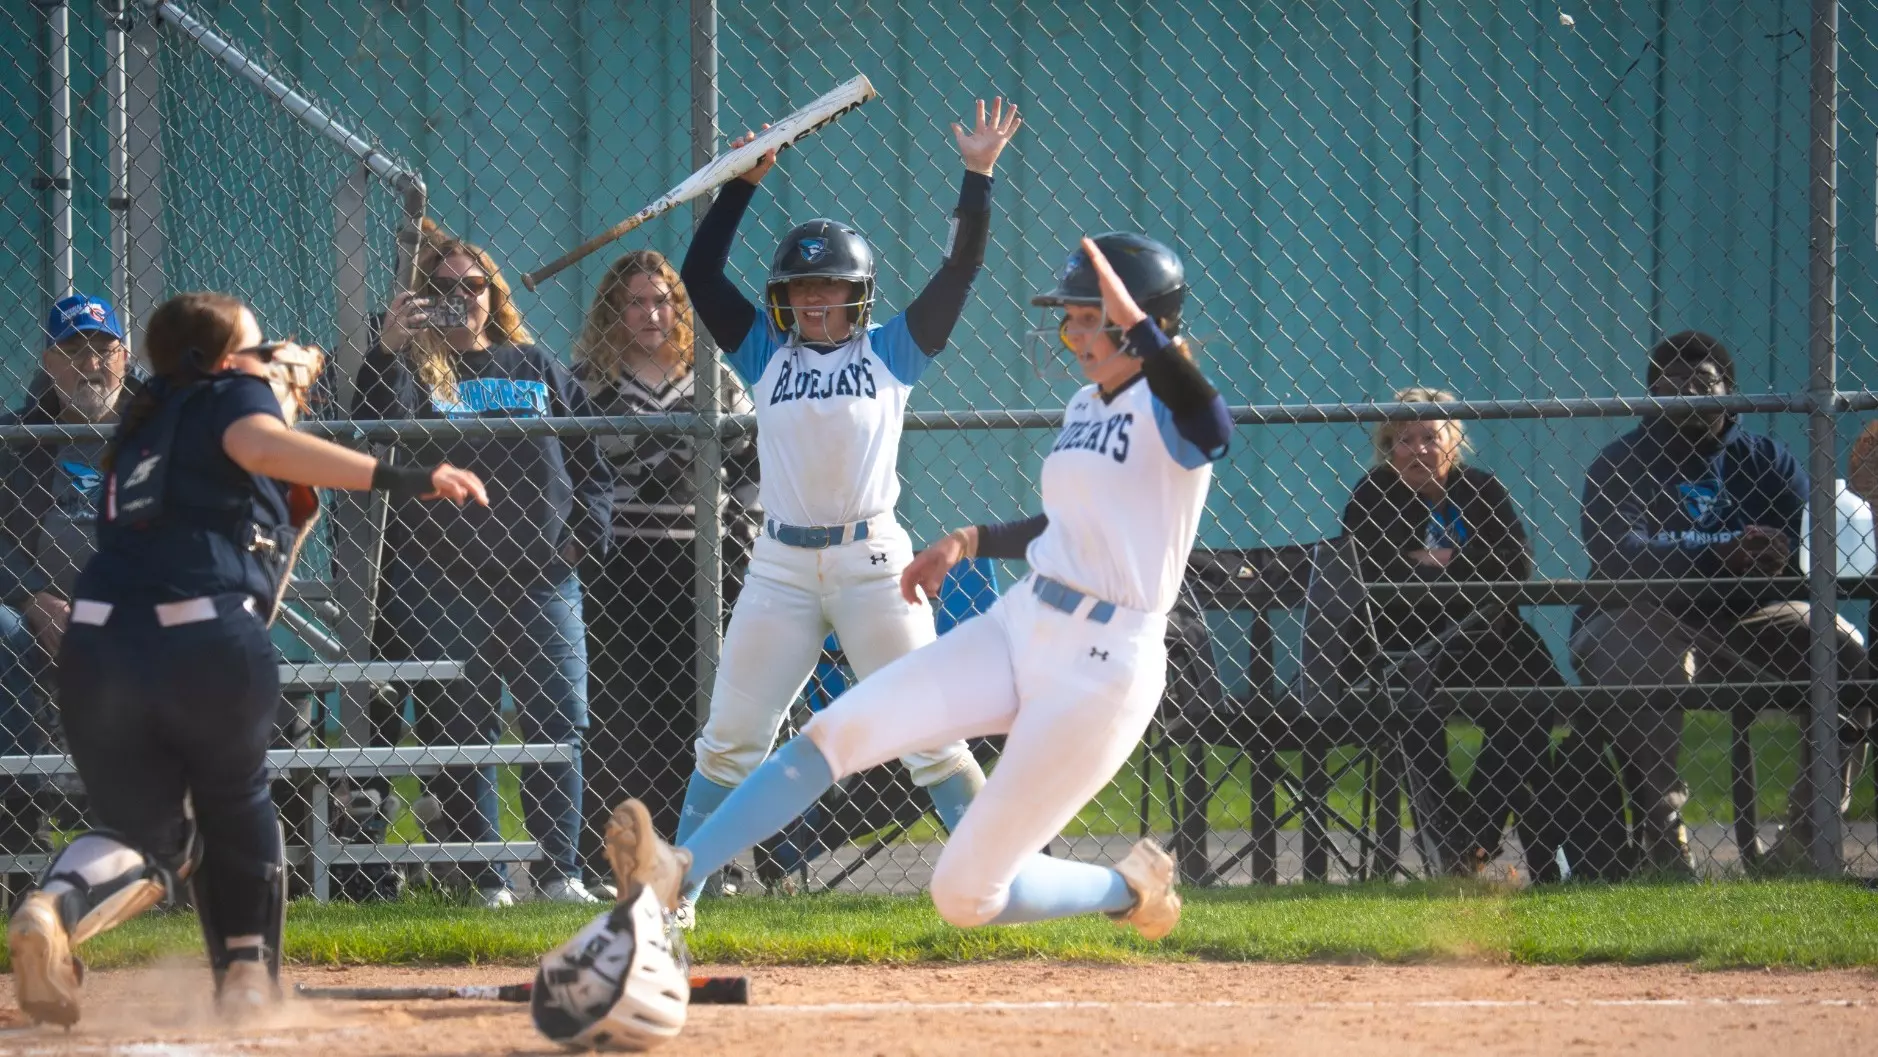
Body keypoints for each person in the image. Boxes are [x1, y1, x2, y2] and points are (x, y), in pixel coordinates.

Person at [605, 232, 1232, 947]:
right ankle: (679, 869)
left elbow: (1213, 428)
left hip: (1104, 660)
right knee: (833, 734)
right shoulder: (1088, 404)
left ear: (1142, 321)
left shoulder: (1174, 417)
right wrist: (972, 539)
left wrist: (1147, 334)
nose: (1073, 333)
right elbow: (1065, 525)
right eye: (1072, 318)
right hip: (1025, 620)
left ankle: (1128, 887)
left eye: (1091, 317)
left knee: (965, 893)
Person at [5, 291, 486, 1026]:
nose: (269, 361)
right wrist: (408, 476)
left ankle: (51, 909)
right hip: (197, 637)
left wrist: (286, 489)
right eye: (257, 349)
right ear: (224, 361)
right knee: (237, 801)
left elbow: (251, 509)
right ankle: (248, 982)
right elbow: (261, 445)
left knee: (151, 834)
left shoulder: (139, 423)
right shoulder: (226, 395)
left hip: (97, 648)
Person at [666, 96, 1020, 921]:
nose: (818, 305)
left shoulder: (891, 349)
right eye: (804, 292)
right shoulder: (764, 352)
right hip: (781, 565)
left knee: (931, 736)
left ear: (858, 297)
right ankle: (677, 895)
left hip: (873, 565)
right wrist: (742, 185)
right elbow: (699, 277)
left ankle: (995, 884)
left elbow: (960, 268)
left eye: (833, 292)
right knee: (730, 740)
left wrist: (977, 176)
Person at [355, 226, 614, 907]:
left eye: (474, 286)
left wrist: (583, 536)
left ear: (494, 295)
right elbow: (373, 436)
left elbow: (592, 464)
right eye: (442, 289)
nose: (460, 299)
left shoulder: (534, 366)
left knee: (558, 720)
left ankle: (560, 873)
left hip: (541, 578)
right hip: (446, 583)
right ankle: (488, 877)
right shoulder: (412, 374)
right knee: (461, 724)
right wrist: (387, 348)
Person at [1572, 330, 1868, 875]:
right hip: (1643, 618)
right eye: (1671, 384)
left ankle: (1805, 841)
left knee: (1847, 651)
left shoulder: (1766, 459)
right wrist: (1720, 555)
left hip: (1747, 616)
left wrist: (1785, 553)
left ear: (1729, 390)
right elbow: (1619, 554)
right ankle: (1665, 848)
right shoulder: (1622, 461)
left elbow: (1816, 535)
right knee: (1638, 659)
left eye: (1702, 381)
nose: (1687, 391)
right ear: (1651, 396)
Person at [572, 249, 760, 889]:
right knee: (619, 710)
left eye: (662, 301)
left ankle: (708, 856)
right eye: (635, 302)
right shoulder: (588, 382)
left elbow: (754, 465)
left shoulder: (712, 377)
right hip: (619, 567)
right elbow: (573, 469)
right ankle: (619, 858)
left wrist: (745, 535)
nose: (650, 313)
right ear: (613, 310)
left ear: (679, 309)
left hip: (705, 566)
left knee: (703, 711)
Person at [1338, 388, 1561, 874]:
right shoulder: (1373, 494)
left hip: (1487, 635)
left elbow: (1516, 563)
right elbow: (1373, 569)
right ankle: (1451, 848)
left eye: (1430, 437)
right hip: (1406, 639)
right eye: (1403, 440)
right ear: (1387, 448)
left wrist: (1444, 560)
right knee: (1414, 716)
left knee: (1529, 706)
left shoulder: (1481, 488)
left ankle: (1470, 840)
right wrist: (1469, 570)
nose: (1418, 449)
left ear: (1453, 443)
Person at [0, 295, 137, 884]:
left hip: (140, 601)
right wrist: (35, 598)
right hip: (39, 610)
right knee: (1, 633)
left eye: (105, 351)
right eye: (75, 351)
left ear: (125, 360)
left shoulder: (162, 433)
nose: (93, 365)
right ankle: (21, 820)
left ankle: (160, 840)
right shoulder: (14, 441)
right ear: (49, 362)